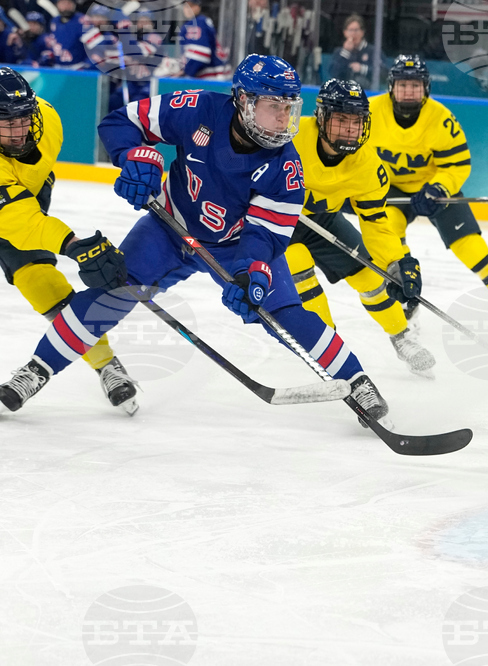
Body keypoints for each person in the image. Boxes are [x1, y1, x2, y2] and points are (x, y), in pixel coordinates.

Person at [0, 55, 391, 425]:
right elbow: (121, 122)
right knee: (111, 292)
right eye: (274, 106)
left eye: (288, 107)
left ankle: (357, 382)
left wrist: (251, 273)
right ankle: (36, 369)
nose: (283, 117)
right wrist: (134, 157)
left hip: (236, 245)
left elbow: (265, 236)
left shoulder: (286, 169)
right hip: (169, 227)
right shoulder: (196, 108)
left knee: (285, 315)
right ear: (244, 101)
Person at [0, 67, 137, 414]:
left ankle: (105, 362)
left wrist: (69, 242)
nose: (20, 130)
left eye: (23, 118)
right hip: (9, 205)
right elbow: (17, 220)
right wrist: (71, 244)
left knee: (39, 280)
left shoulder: (48, 120)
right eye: (8, 122)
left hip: (18, 199)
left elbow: (24, 217)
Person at [286, 78, 435, 376]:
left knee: (369, 275)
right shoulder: (291, 136)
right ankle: (328, 350)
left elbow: (376, 222)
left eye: (356, 121)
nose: (350, 129)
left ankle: (402, 337)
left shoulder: (366, 163)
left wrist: (397, 262)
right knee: (299, 269)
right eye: (341, 119)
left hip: (322, 219)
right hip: (277, 221)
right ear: (321, 117)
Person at [370, 54, 488, 323]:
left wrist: (438, 188)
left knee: (472, 247)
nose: (409, 91)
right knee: (390, 237)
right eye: (403, 85)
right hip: (390, 189)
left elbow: (458, 164)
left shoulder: (441, 118)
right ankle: (407, 294)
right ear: (391, 86)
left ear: (426, 88)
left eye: (415, 85)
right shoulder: (371, 111)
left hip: (434, 191)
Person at [178, 0, 229, 80]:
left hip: (210, 77)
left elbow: (200, 55)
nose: (187, 9)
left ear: (198, 7)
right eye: (185, 6)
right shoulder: (201, 21)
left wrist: (186, 74)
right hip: (217, 75)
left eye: (191, 6)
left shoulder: (198, 23)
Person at [48, 0, 102, 69]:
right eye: (63, 3)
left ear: (74, 5)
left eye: (69, 3)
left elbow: (98, 46)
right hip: (58, 67)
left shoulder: (83, 21)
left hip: (78, 67)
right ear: (57, 5)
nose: (66, 6)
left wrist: (88, 64)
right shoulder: (55, 21)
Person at [329, 14, 374, 89]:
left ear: (362, 32)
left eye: (356, 30)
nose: (353, 34)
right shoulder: (339, 52)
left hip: (366, 91)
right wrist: (346, 52)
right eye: (350, 30)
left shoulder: (372, 51)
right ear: (345, 33)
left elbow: (382, 72)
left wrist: (362, 68)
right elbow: (333, 73)